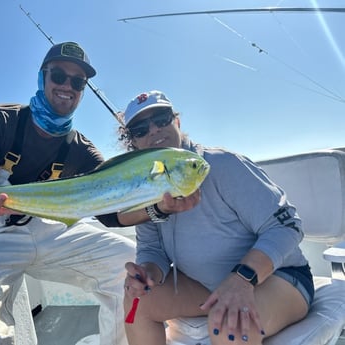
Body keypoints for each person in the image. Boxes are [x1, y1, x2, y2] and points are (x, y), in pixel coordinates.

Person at [0, 41, 141, 345]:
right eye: (59, 76)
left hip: (51, 229)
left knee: (132, 269)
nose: (68, 86)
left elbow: (109, 212)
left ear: (83, 90)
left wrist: (158, 208)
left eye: (78, 82)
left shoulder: (84, 151)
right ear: (43, 77)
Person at [120, 90, 314, 345]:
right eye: (140, 129)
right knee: (137, 301)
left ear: (176, 122)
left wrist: (242, 279)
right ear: (134, 144)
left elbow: (287, 225)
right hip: (205, 285)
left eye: (161, 118)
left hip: (278, 278)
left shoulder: (222, 164)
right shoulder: (144, 193)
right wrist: (147, 274)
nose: (154, 130)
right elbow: (152, 249)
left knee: (229, 323)